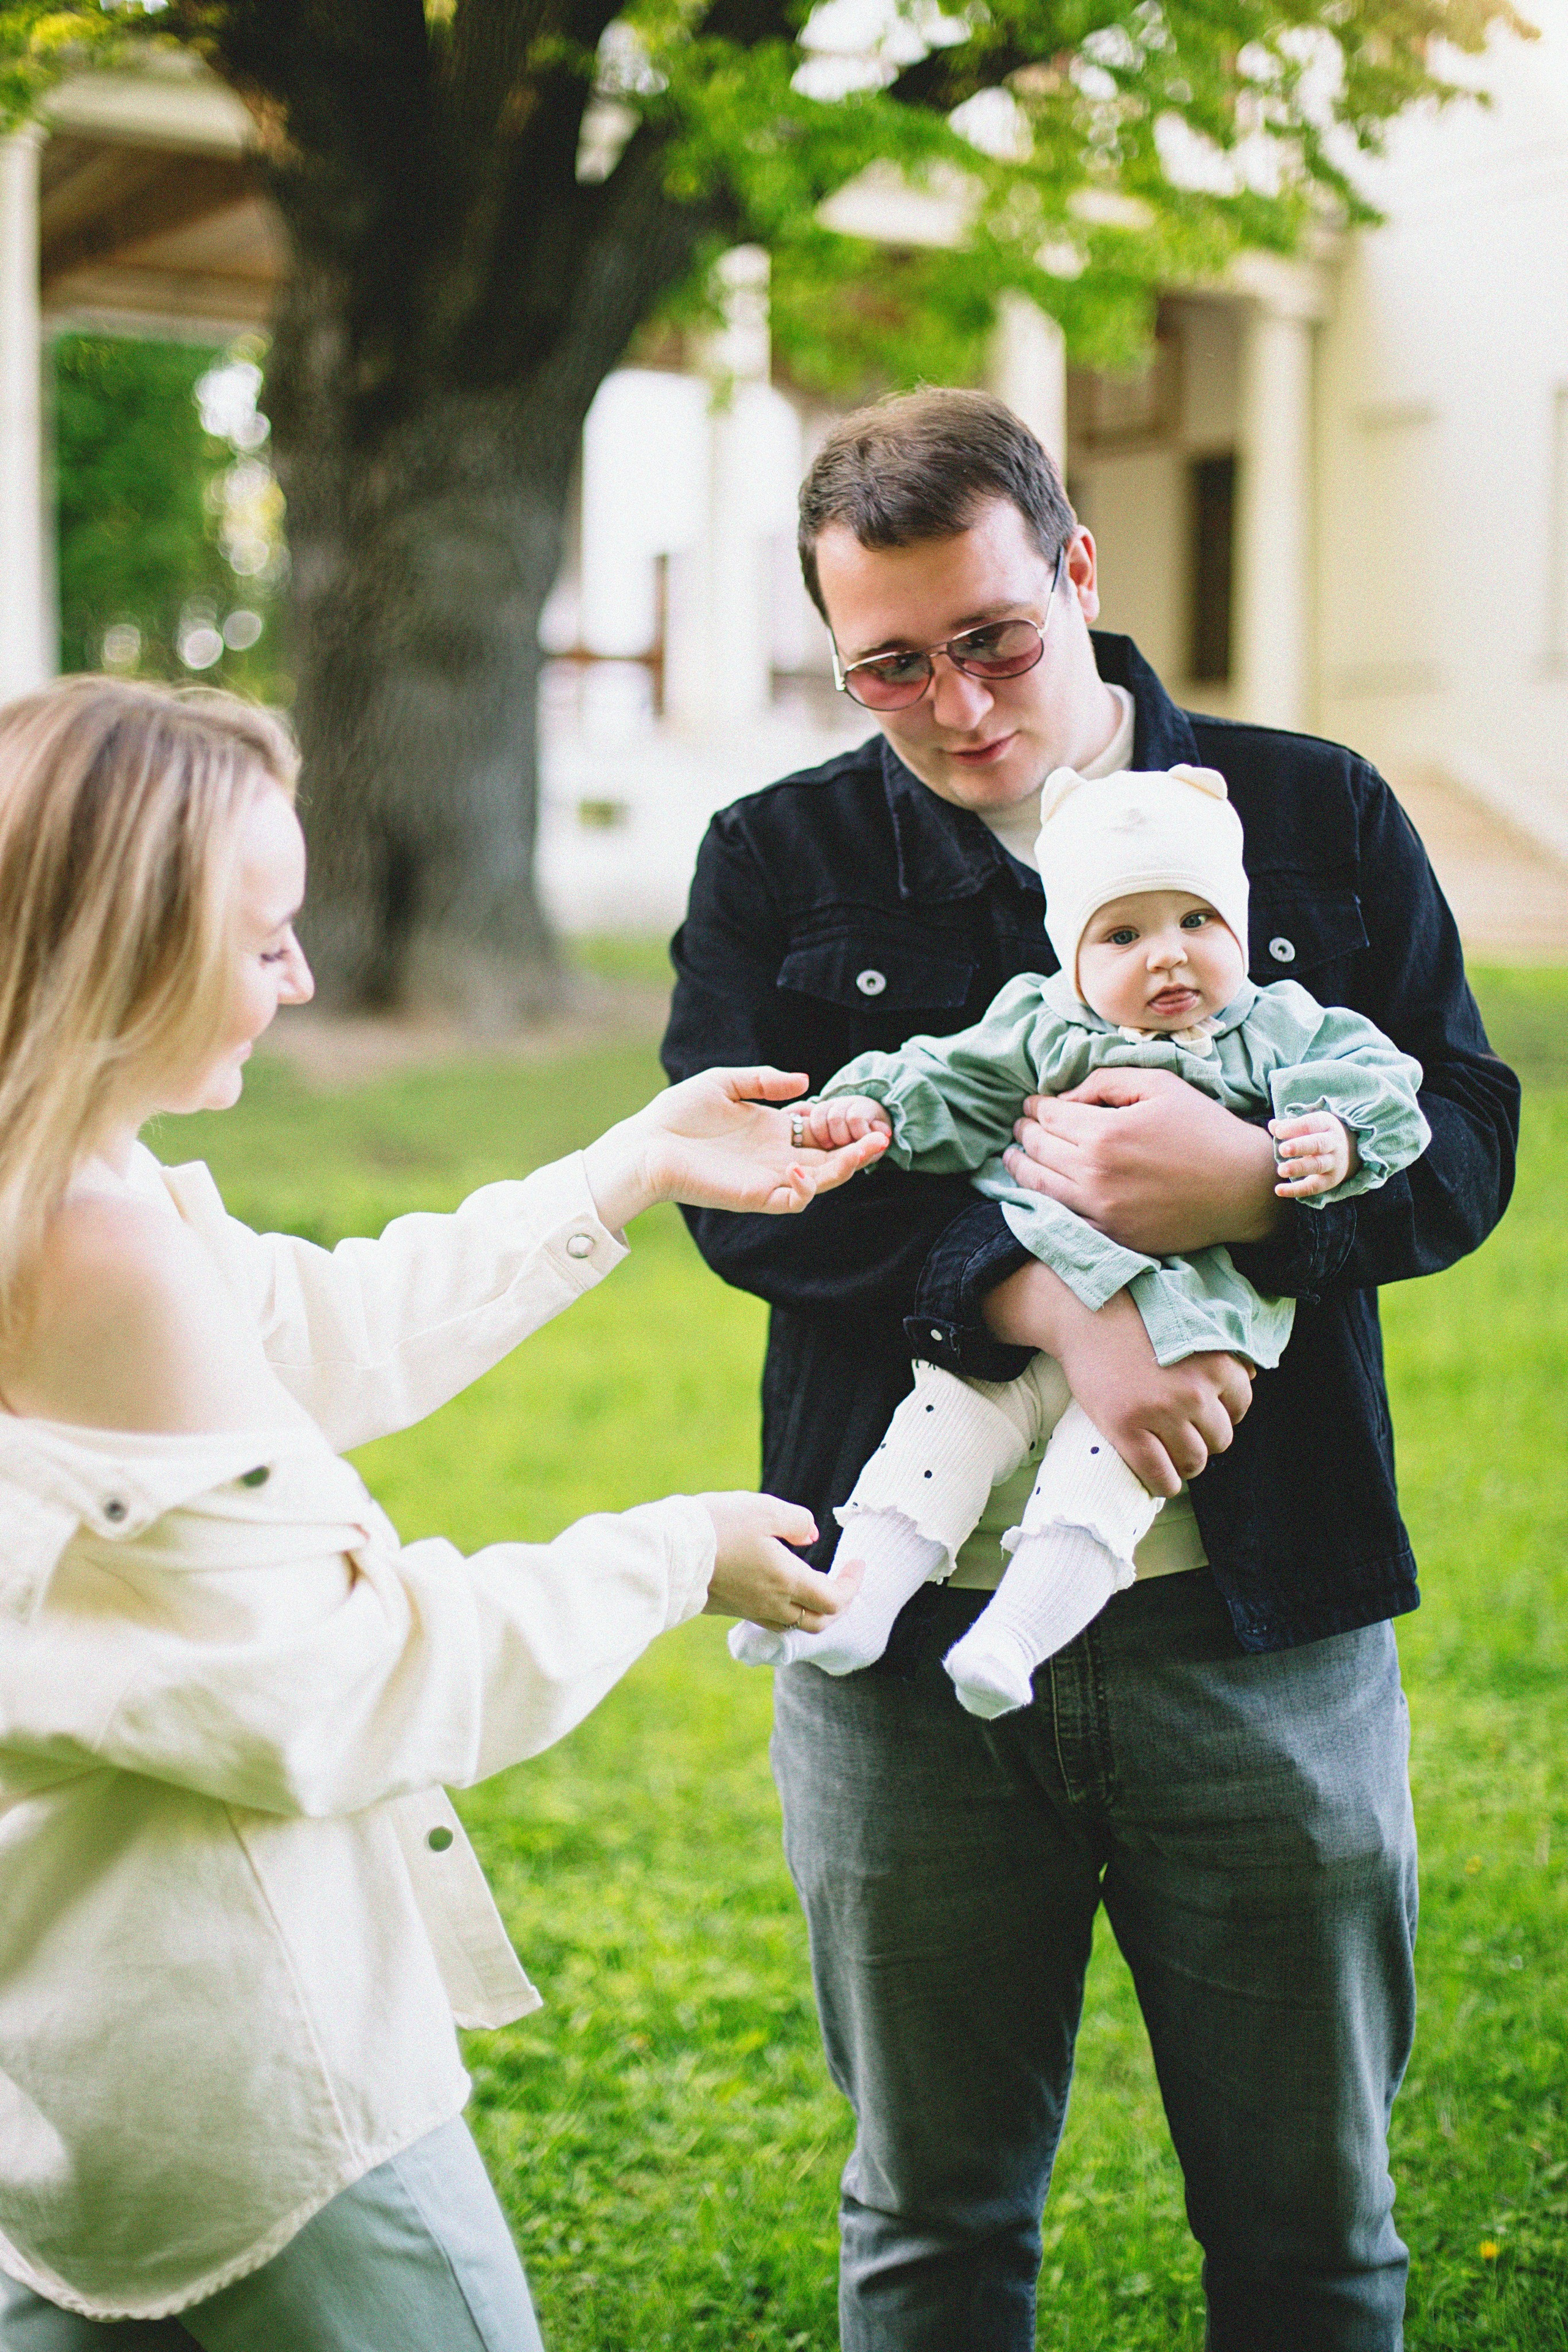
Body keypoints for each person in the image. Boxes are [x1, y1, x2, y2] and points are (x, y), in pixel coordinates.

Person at [660, 387, 1521, 2350]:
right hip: (903, 1661)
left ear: (1078, 570)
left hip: (1263, 1631)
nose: (955, 706)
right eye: (888, 668)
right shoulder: (775, 860)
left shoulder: (1319, 814)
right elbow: (745, 1196)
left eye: (992, 641)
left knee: (1317, 2242)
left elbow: (1466, 1129)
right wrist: (1050, 1304)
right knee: (932, 2229)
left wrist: (1250, 1196)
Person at [0, 676, 879, 2351]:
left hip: (66, 2081)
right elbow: (341, 1686)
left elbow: (314, 1331)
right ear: (128, 946)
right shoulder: (85, 1251)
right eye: (264, 938)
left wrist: (620, 1168)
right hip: (256, 2097)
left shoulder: (69, 1185)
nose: (304, 978)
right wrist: (672, 1551)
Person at [729, 759, 1430, 1717]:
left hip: (1189, 1316)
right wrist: (872, 1105)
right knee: (945, 1424)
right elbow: (950, 1078)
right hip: (1038, 1287)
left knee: (1108, 1466)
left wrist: (1331, 1139)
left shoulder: (1286, 1030)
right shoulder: (1046, 1024)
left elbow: (1390, 1088)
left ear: (1239, 923)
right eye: (1124, 934)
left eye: (1198, 921)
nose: (1169, 957)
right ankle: (853, 1603)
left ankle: (1012, 1643)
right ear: (1074, 954)